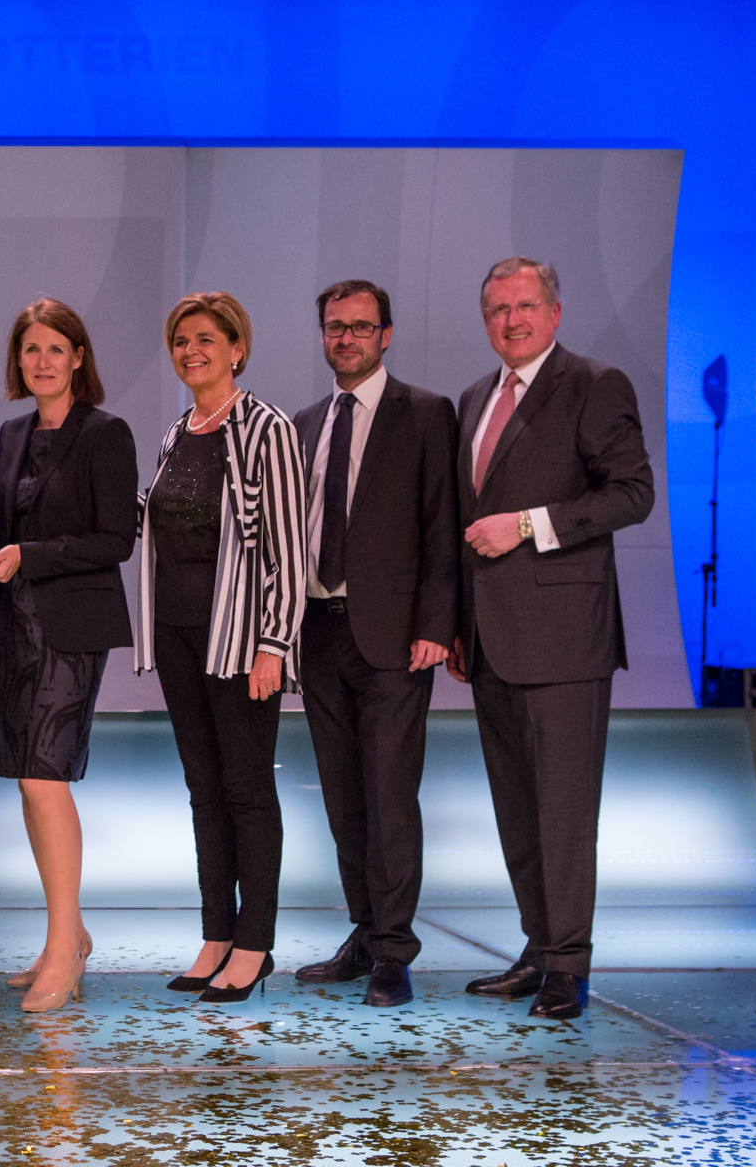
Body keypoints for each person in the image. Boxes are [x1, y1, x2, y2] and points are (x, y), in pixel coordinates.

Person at [446, 257, 654, 1020]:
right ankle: (538, 948)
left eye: (526, 305)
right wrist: (458, 626)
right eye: (499, 309)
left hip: (565, 640)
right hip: (490, 641)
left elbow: (633, 492)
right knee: (518, 811)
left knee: (564, 812)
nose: (513, 320)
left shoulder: (595, 384)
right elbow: (466, 522)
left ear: (556, 312)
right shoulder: (475, 398)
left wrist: (530, 525)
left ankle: (569, 964)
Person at [134, 291, 308, 1004]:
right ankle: (217, 935)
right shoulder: (178, 431)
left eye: (206, 338)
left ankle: (254, 943)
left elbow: (289, 551)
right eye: (181, 341)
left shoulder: (268, 428)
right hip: (176, 637)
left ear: (237, 348)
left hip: (239, 641)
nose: (191, 351)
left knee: (246, 789)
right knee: (203, 789)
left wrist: (274, 644)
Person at [290, 281, 459, 1008]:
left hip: (393, 638)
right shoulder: (304, 423)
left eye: (361, 327)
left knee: (390, 797)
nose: (347, 338)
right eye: (336, 327)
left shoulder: (425, 412)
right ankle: (363, 932)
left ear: (385, 335)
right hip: (318, 629)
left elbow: (442, 523)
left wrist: (437, 624)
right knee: (343, 798)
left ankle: (394, 949)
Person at [0, 299, 137, 1012]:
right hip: (14, 629)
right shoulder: (11, 434)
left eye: (55, 348)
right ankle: (64, 935)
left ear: (78, 358)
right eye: (30, 348)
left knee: (46, 781)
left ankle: (66, 946)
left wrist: (31, 556)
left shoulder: (106, 433)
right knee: (27, 783)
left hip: (71, 629)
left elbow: (115, 539)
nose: (42, 360)